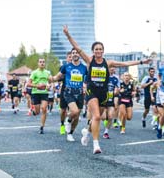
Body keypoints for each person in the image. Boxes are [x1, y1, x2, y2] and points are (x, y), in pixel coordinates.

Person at [63, 25, 151, 154]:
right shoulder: (89, 60)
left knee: (99, 118)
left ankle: (87, 132)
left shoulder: (107, 63)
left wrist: (142, 62)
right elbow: (77, 47)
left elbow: (124, 64)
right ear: (93, 51)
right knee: (97, 116)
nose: (98, 51)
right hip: (91, 92)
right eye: (96, 49)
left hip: (103, 93)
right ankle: (96, 145)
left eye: (101, 49)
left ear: (103, 51)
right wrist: (68, 35)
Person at [51, 48, 88, 142]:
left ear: (79, 54)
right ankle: (68, 120)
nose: (75, 54)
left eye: (76, 52)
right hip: (68, 92)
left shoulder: (84, 68)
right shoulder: (66, 66)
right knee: (74, 111)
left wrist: (86, 86)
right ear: (71, 55)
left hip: (79, 93)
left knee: (77, 115)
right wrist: (51, 79)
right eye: (73, 53)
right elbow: (58, 76)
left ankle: (70, 133)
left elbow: (87, 80)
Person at [27, 58, 52, 134]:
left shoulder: (47, 72)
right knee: (37, 112)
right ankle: (34, 111)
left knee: (44, 109)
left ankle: (42, 127)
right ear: (38, 63)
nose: (42, 63)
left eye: (43, 62)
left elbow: (50, 82)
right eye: (40, 62)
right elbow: (28, 84)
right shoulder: (34, 73)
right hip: (36, 93)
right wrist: (37, 86)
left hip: (44, 93)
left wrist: (49, 86)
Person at [102, 67, 120, 139]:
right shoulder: (103, 76)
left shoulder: (116, 78)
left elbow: (117, 88)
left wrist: (116, 91)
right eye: (111, 68)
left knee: (110, 116)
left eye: (113, 68)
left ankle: (106, 132)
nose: (112, 69)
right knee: (103, 117)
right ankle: (89, 127)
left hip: (110, 99)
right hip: (102, 99)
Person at [58, 51, 72, 135]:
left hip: (74, 91)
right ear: (67, 58)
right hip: (65, 90)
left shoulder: (78, 67)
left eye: (72, 56)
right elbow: (59, 78)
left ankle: (69, 122)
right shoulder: (63, 67)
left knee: (73, 111)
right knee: (63, 110)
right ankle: (62, 124)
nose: (71, 58)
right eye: (69, 57)